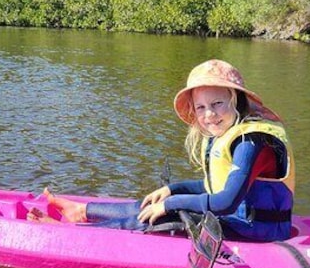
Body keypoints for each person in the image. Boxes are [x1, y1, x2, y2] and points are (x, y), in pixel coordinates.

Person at [34, 59, 296, 242]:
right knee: (154, 204)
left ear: (237, 101)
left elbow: (225, 203)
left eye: (218, 103)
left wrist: (172, 204)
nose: (209, 115)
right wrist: (172, 190)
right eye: (201, 107)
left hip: (257, 230)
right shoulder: (227, 132)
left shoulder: (251, 142)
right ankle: (83, 212)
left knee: (163, 216)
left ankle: (71, 236)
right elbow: (212, 187)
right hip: (238, 220)